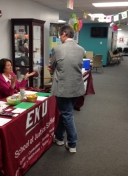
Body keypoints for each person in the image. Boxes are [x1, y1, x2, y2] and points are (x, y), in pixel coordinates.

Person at [48, 24, 85, 153]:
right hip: (77, 87)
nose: (60, 38)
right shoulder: (81, 49)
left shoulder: (57, 49)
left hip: (63, 87)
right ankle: (58, 137)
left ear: (64, 34)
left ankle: (72, 143)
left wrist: (51, 68)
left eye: (60, 35)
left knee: (67, 114)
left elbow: (52, 66)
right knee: (66, 112)